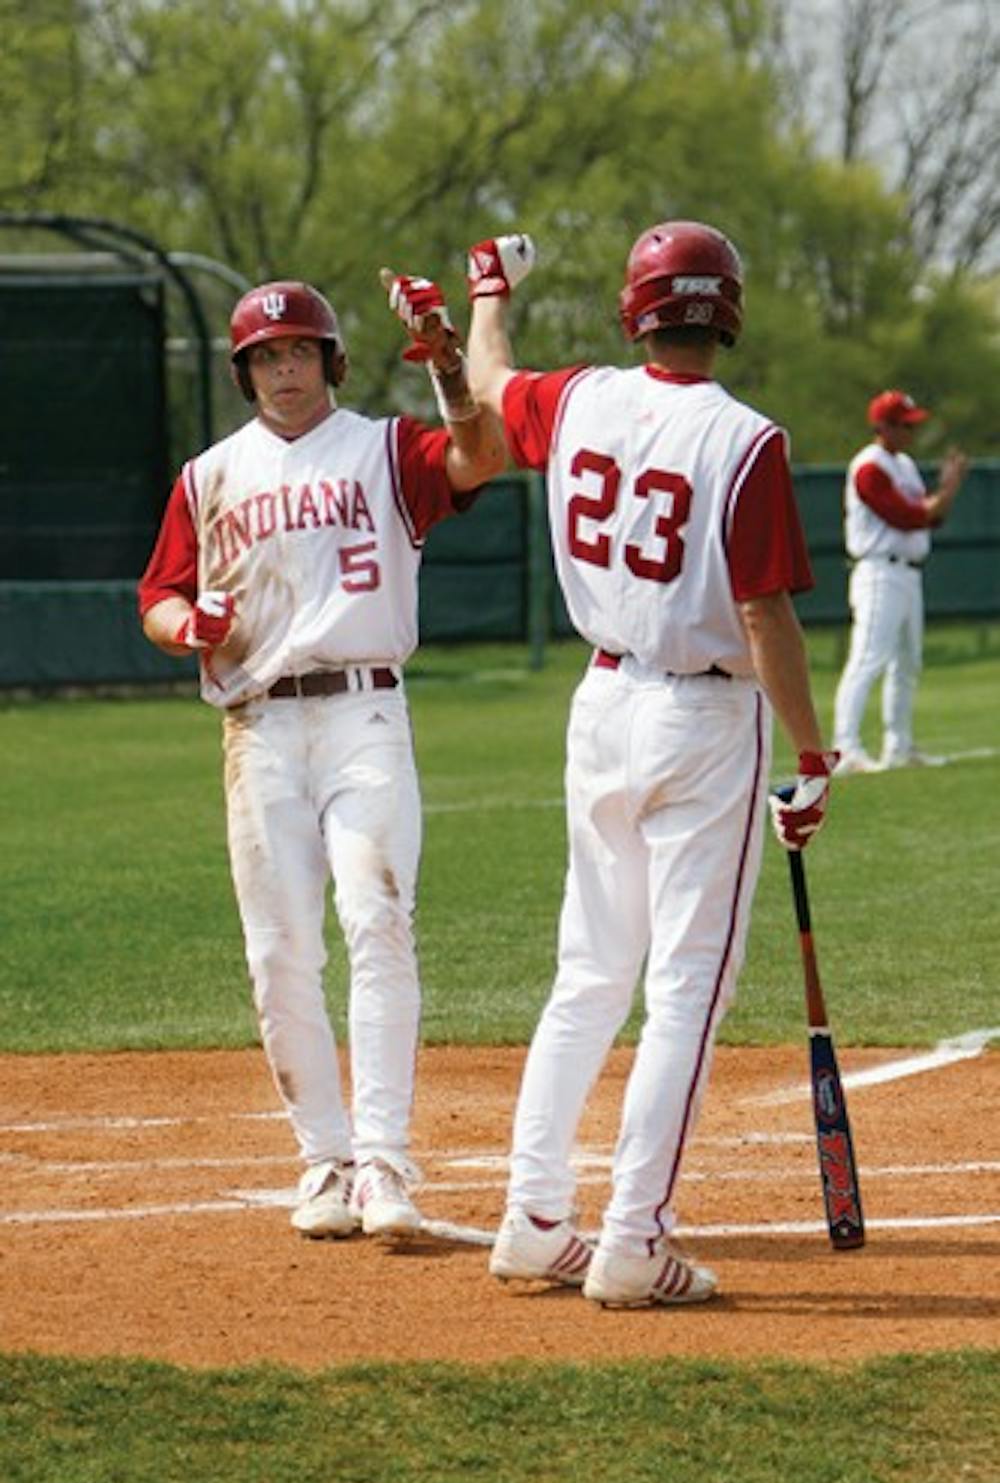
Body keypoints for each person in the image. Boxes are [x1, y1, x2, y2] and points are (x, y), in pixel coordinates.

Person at [464, 223, 837, 1308]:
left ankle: (534, 1217)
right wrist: (810, 756)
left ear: (637, 311)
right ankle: (634, 1239)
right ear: (728, 312)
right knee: (683, 990)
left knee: (588, 973)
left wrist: (491, 287)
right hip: (703, 720)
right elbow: (765, 613)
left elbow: (487, 383)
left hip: (602, 704)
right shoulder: (746, 438)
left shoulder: (579, 397)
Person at [138, 271, 505, 1240]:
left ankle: (384, 1157)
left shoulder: (385, 446)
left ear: (330, 359)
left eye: (298, 349)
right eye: (264, 354)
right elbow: (159, 598)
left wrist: (452, 368)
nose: (282, 368)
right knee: (279, 950)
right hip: (257, 727)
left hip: (362, 712)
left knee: (375, 913)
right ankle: (325, 1160)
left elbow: (480, 457)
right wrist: (187, 626)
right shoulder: (210, 473)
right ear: (243, 369)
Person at [832, 390, 967, 774]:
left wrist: (943, 495)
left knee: (907, 662)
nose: (911, 432)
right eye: (905, 425)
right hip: (878, 572)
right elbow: (905, 515)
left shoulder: (904, 464)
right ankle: (845, 748)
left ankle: (898, 745)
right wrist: (947, 491)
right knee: (868, 659)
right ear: (883, 426)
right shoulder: (869, 466)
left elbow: (931, 517)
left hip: (907, 572)